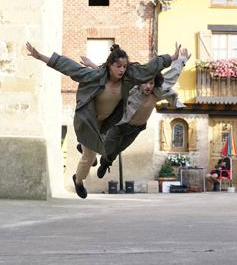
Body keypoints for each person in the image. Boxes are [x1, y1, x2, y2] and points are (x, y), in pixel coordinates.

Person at [26, 41, 180, 199]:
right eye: (118, 66)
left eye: (124, 67)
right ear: (110, 65)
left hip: (106, 124)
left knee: (102, 149)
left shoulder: (127, 79)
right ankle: (78, 180)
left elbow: (148, 68)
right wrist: (41, 57)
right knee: (89, 157)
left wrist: (172, 58)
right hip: (88, 121)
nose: (122, 70)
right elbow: (69, 67)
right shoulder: (96, 75)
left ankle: (86, 147)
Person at [78, 48, 190, 178]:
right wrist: (91, 64)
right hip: (120, 125)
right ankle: (92, 154)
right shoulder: (131, 89)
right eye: (145, 83)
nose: (148, 86)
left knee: (119, 149)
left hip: (136, 128)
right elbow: (108, 76)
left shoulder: (157, 93)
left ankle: (105, 162)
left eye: (151, 83)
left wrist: (181, 60)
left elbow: (171, 77)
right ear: (139, 83)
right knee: (108, 147)